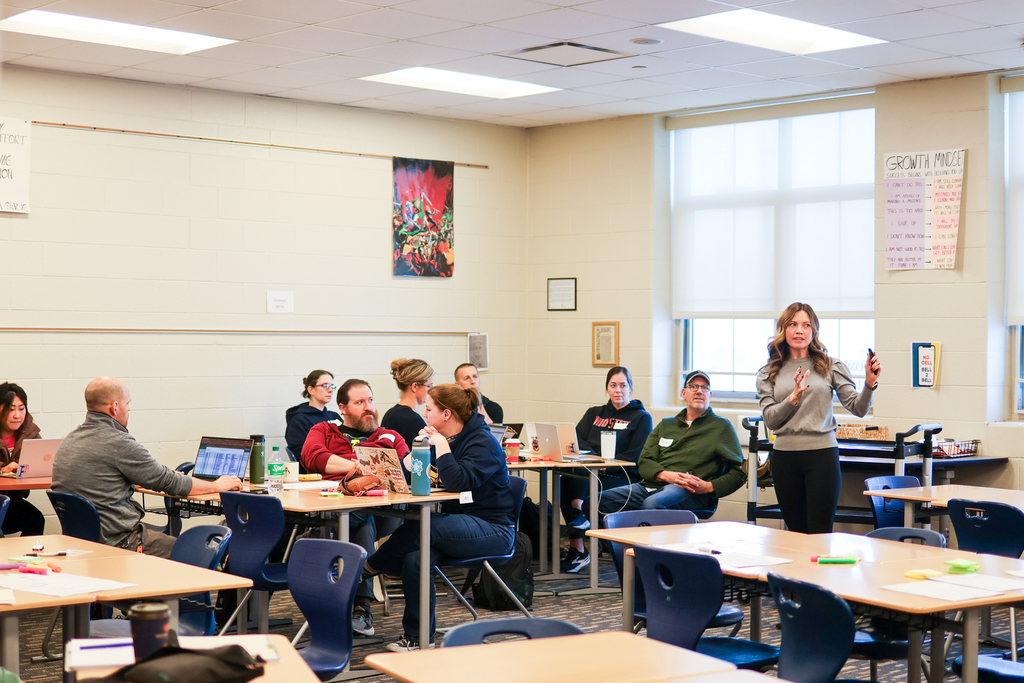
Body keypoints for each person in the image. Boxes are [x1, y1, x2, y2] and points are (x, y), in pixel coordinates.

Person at [364, 384, 515, 651]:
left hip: (493, 529)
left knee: (424, 528)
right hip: (457, 526)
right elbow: (415, 475)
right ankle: (419, 638)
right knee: (415, 558)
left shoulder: (482, 442)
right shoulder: (441, 439)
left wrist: (440, 444)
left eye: (430, 408)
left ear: (446, 414)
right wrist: (416, 451)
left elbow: (457, 482)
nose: (424, 411)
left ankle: (368, 568)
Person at [51, 377, 241, 558]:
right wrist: (217, 485)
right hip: (122, 541)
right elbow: (171, 483)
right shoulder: (119, 442)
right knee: (201, 552)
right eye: (127, 404)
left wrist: (147, 477)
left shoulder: (70, 441)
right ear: (115, 407)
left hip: (84, 542)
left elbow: (102, 482)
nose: (129, 409)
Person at [756, 302, 881, 534]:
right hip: (784, 459)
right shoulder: (768, 372)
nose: (799, 331)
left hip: (822, 457)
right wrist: (793, 397)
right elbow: (771, 420)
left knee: (820, 533)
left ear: (814, 331)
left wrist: (869, 384)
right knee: (796, 533)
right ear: (783, 329)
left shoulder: (829, 366)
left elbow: (858, 408)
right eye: (793, 324)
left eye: (806, 325)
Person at [300, 379, 408, 637]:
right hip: (335, 508)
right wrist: (354, 468)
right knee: (361, 521)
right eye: (359, 402)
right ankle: (362, 607)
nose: (368, 407)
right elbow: (312, 457)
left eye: (370, 400)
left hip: (385, 511)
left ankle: (341, 588)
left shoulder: (388, 436)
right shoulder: (325, 429)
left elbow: (406, 468)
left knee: (362, 516)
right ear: (343, 408)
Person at [598, 370, 744, 515]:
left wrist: (709, 487)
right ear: (684, 393)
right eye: (693, 386)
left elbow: (739, 472)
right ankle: (617, 539)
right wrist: (665, 475)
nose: (699, 391)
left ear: (710, 395)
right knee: (596, 501)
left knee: (653, 504)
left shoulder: (721, 427)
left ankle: (647, 537)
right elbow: (645, 461)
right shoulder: (666, 425)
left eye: (704, 388)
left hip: (689, 491)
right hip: (651, 486)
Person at [561, 366, 652, 573]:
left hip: (621, 476)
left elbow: (636, 454)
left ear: (630, 388)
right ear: (607, 389)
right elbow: (577, 439)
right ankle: (578, 547)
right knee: (565, 478)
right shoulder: (594, 414)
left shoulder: (641, 418)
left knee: (586, 480)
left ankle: (580, 517)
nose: (618, 390)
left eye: (623, 385)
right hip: (590, 471)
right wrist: (596, 460)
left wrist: (604, 465)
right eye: (613, 385)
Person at [0, 383, 45, 536]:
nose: (17, 415)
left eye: (21, 408)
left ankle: (27, 560)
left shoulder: (29, 433)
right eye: (11, 409)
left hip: (12, 500)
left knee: (35, 519)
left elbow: (43, 459)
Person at [284, 370, 340, 459]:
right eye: (325, 386)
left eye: (332, 386)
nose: (330, 390)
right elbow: (301, 454)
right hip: (317, 469)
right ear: (311, 390)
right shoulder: (299, 420)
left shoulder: (335, 417)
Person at [381, 358, 433, 450]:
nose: (430, 391)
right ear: (415, 387)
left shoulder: (390, 413)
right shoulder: (412, 420)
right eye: (428, 386)